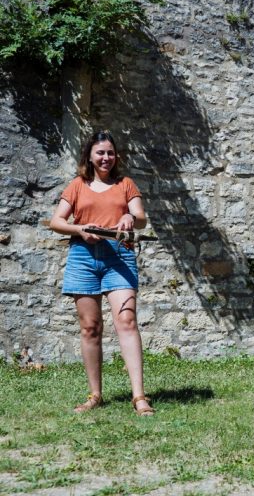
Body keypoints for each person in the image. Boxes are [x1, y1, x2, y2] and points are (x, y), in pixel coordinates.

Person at [49, 130, 154, 416]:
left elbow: (141, 218)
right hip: (83, 257)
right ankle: (95, 395)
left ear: (115, 156)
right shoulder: (77, 186)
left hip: (118, 256)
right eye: (100, 153)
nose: (105, 157)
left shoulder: (125, 184)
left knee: (127, 322)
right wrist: (80, 229)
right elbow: (56, 221)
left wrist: (129, 216)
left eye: (110, 152)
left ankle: (139, 397)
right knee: (90, 328)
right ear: (90, 156)